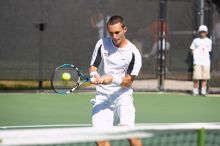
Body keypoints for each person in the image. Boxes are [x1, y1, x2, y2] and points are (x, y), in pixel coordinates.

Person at [89, 15, 142, 146]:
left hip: (122, 97)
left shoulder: (133, 52)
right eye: (111, 33)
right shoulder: (101, 44)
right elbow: (93, 66)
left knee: (130, 135)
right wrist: (93, 75)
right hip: (102, 98)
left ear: (125, 29)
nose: (114, 36)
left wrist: (112, 79)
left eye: (117, 32)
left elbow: (129, 81)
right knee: (100, 140)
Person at [190, 25, 212, 96]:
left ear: (207, 33)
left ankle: (203, 90)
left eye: (204, 32)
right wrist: (193, 53)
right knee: (196, 77)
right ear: (199, 32)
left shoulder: (209, 41)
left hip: (206, 62)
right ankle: (195, 90)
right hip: (197, 62)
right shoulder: (195, 40)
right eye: (201, 32)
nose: (202, 33)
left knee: (204, 78)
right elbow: (192, 48)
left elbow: (209, 50)